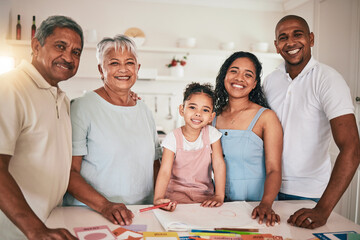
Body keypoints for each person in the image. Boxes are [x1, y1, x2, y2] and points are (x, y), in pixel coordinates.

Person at [263, 15, 360, 229]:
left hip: (308, 195)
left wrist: (323, 210)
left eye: (298, 34)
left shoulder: (328, 79)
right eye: (283, 37)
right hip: (267, 190)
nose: (290, 42)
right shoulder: (270, 80)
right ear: (276, 46)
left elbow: (351, 147)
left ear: (311, 39)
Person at [63, 34, 161, 225]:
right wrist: (105, 205)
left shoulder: (144, 110)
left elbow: (156, 164)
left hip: (141, 213)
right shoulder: (83, 107)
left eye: (130, 63)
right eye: (114, 63)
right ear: (101, 69)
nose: (123, 69)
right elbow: (68, 172)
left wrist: (161, 199)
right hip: (91, 213)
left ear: (137, 68)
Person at [0, 15, 83, 240]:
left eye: (76, 52)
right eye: (60, 46)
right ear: (36, 46)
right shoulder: (9, 87)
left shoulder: (61, 98)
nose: (68, 57)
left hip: (50, 224)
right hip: (16, 231)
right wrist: (35, 229)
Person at [213, 51, 283, 226]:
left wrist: (266, 204)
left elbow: (274, 169)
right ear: (224, 76)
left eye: (248, 74)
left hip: (257, 208)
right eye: (234, 71)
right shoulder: (213, 116)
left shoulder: (266, 117)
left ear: (254, 84)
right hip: (222, 206)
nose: (239, 78)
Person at [154, 82, 226, 211]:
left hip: (204, 199)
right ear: (182, 110)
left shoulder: (212, 134)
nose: (198, 113)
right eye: (193, 107)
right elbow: (165, 171)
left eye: (205, 110)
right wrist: (158, 198)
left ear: (211, 116)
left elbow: (219, 164)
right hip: (175, 198)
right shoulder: (172, 138)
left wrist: (219, 196)